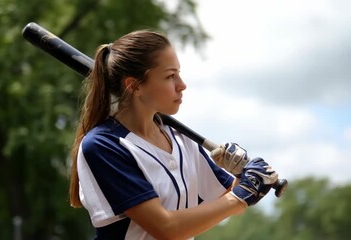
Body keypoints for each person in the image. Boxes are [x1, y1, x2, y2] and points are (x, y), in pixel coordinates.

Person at [68, 29, 278, 240]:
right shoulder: (103, 145)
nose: (182, 85)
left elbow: (223, 205)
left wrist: (243, 179)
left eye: (179, 73)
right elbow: (166, 229)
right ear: (134, 86)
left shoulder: (181, 138)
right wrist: (241, 195)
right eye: (170, 76)